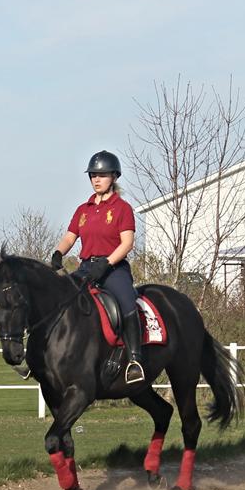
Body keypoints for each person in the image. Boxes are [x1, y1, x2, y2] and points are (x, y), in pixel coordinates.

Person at [50, 150, 145, 384]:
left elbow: (127, 243)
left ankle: (135, 360)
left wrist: (106, 264)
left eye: (102, 175)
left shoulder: (122, 208)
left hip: (114, 268)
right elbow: (70, 237)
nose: (96, 179)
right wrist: (58, 252)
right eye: (93, 175)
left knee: (126, 303)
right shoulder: (84, 209)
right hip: (85, 267)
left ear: (114, 176)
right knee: (58, 298)